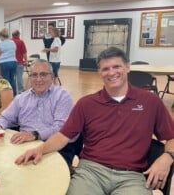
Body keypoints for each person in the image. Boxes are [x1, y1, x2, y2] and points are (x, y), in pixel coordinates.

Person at [15, 47, 174, 195]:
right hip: (90, 172)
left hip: (132, 176)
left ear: (127, 67)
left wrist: (167, 157)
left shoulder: (151, 102)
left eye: (116, 67)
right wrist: (40, 150)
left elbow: (171, 137)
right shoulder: (87, 104)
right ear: (99, 72)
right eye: (105, 69)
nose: (111, 73)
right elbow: (63, 135)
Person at [0, 59, 76, 165]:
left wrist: (35, 135)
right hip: (24, 145)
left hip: (54, 147)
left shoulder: (62, 96)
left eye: (43, 74)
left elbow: (61, 128)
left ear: (52, 77)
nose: (38, 79)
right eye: (34, 75)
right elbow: (4, 118)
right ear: (29, 77)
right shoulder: (21, 98)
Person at [0, 28, 17, 95]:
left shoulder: (0, 44)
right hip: (13, 62)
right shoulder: (13, 43)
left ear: (1, 36)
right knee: (12, 79)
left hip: (4, 63)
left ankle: (7, 95)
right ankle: (14, 94)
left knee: (5, 80)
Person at [11, 29, 27, 94]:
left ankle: (12, 89)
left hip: (11, 62)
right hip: (19, 62)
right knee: (19, 76)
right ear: (18, 35)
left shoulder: (9, 41)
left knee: (12, 77)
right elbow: (24, 53)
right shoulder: (21, 42)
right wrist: (26, 61)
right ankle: (20, 90)